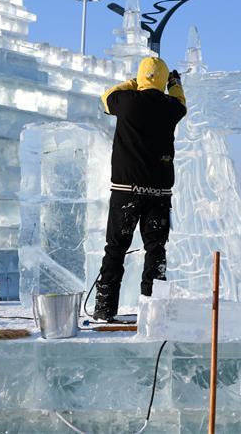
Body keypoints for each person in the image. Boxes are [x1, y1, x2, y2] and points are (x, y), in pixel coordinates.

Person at [93, 56, 187, 322]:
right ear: (163, 80)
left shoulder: (126, 102)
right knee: (156, 251)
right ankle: (153, 311)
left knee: (115, 249)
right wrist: (174, 84)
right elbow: (182, 102)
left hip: (125, 191)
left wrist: (135, 82)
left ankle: (104, 307)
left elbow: (105, 97)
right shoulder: (171, 107)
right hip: (158, 194)